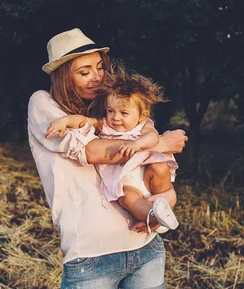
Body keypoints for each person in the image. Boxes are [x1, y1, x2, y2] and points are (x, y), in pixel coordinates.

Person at [27, 28, 188, 288]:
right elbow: (92, 151)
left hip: (144, 244)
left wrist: (163, 201)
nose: (97, 77)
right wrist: (161, 142)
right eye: (84, 72)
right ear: (63, 77)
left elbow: (145, 154)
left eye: (99, 67)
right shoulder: (43, 103)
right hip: (92, 254)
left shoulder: (111, 108)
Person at [45, 64, 179, 234]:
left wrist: (137, 145)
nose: (115, 118)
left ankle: (163, 204)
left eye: (124, 113)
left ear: (142, 114)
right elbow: (82, 121)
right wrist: (64, 122)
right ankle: (154, 216)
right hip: (123, 181)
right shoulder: (104, 125)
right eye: (110, 111)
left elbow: (153, 138)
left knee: (160, 167)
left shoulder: (144, 126)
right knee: (129, 198)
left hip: (146, 175)